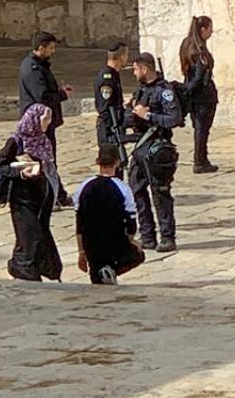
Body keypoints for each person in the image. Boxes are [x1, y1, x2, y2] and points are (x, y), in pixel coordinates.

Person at [0, 104, 64, 281]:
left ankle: (36, 268)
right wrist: (21, 173)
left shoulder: (43, 141)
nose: (48, 122)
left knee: (34, 236)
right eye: (45, 119)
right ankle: (23, 270)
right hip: (23, 200)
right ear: (34, 120)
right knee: (31, 235)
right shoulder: (16, 142)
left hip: (41, 200)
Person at [125, 51, 183, 253]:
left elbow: (174, 118)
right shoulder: (142, 90)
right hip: (141, 148)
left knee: (160, 192)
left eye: (135, 69)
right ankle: (147, 235)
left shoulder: (164, 91)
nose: (134, 73)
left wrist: (148, 115)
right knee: (137, 189)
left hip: (158, 149)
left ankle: (167, 236)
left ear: (144, 69)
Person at [74, 144, 144, 285]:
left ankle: (102, 273)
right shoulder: (123, 188)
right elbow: (131, 222)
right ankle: (110, 270)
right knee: (139, 255)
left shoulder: (84, 187)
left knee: (95, 275)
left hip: (91, 245)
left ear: (97, 162)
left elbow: (79, 223)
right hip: (115, 244)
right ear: (117, 162)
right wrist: (131, 241)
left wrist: (81, 252)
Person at [19, 31, 75, 206]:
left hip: (45, 123)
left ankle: (57, 195)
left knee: (48, 160)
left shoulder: (40, 66)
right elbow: (42, 97)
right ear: (41, 48)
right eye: (50, 48)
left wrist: (59, 90)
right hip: (38, 125)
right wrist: (62, 95)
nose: (53, 51)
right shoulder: (32, 68)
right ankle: (52, 196)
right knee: (44, 161)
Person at [179, 15, 220, 174]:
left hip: (193, 94)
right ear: (203, 30)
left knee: (199, 127)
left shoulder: (186, 44)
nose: (211, 31)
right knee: (202, 128)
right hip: (203, 94)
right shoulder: (199, 50)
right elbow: (199, 75)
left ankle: (202, 158)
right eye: (210, 28)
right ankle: (200, 160)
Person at [94, 41, 129, 149]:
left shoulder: (114, 74)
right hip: (109, 128)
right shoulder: (107, 78)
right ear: (122, 57)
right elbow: (106, 107)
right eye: (126, 55)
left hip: (114, 125)